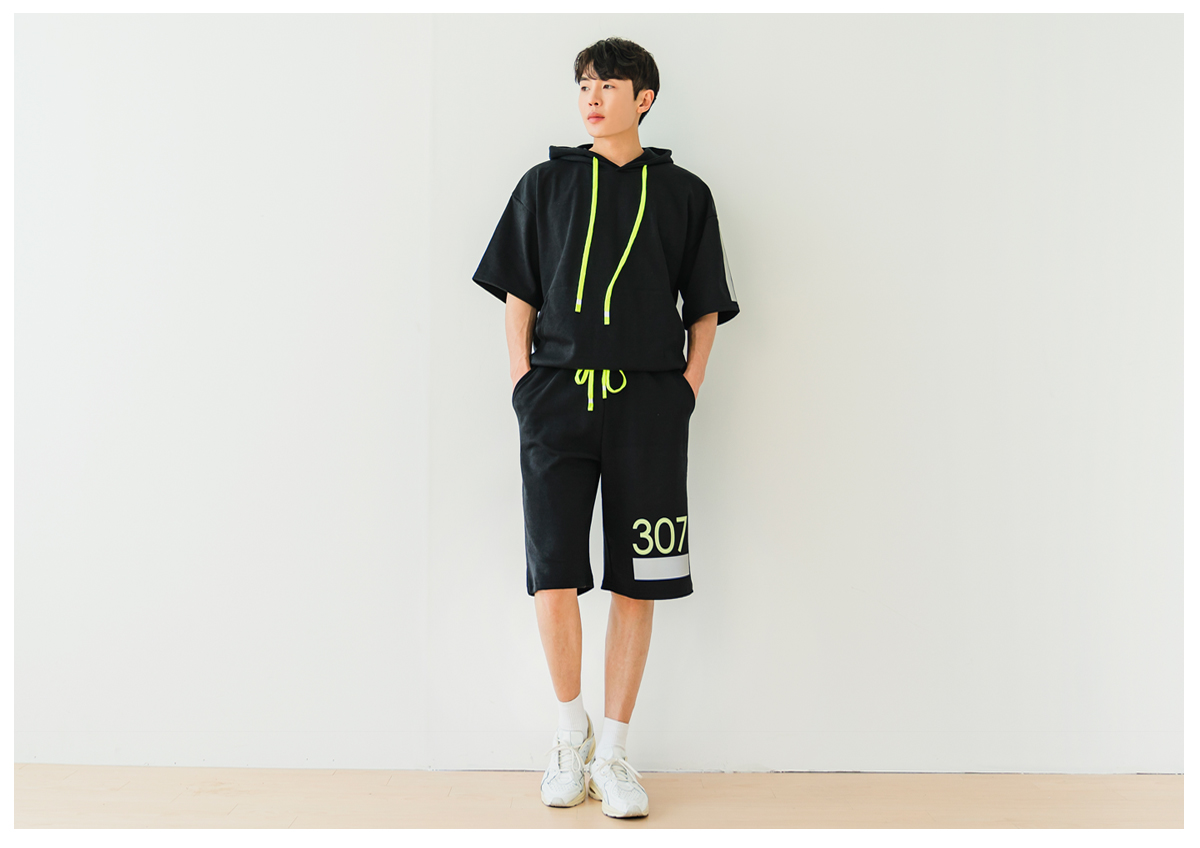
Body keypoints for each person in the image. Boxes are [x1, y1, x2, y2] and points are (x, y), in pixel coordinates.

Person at [471, 36, 740, 819]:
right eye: (584, 84)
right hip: (555, 402)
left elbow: (705, 305)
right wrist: (524, 385)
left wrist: (686, 389)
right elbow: (519, 293)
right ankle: (570, 736)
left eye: (608, 85)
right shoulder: (545, 184)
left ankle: (615, 752)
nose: (591, 97)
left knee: (638, 577)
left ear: (643, 99)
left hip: (649, 409)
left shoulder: (685, 193)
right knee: (552, 571)